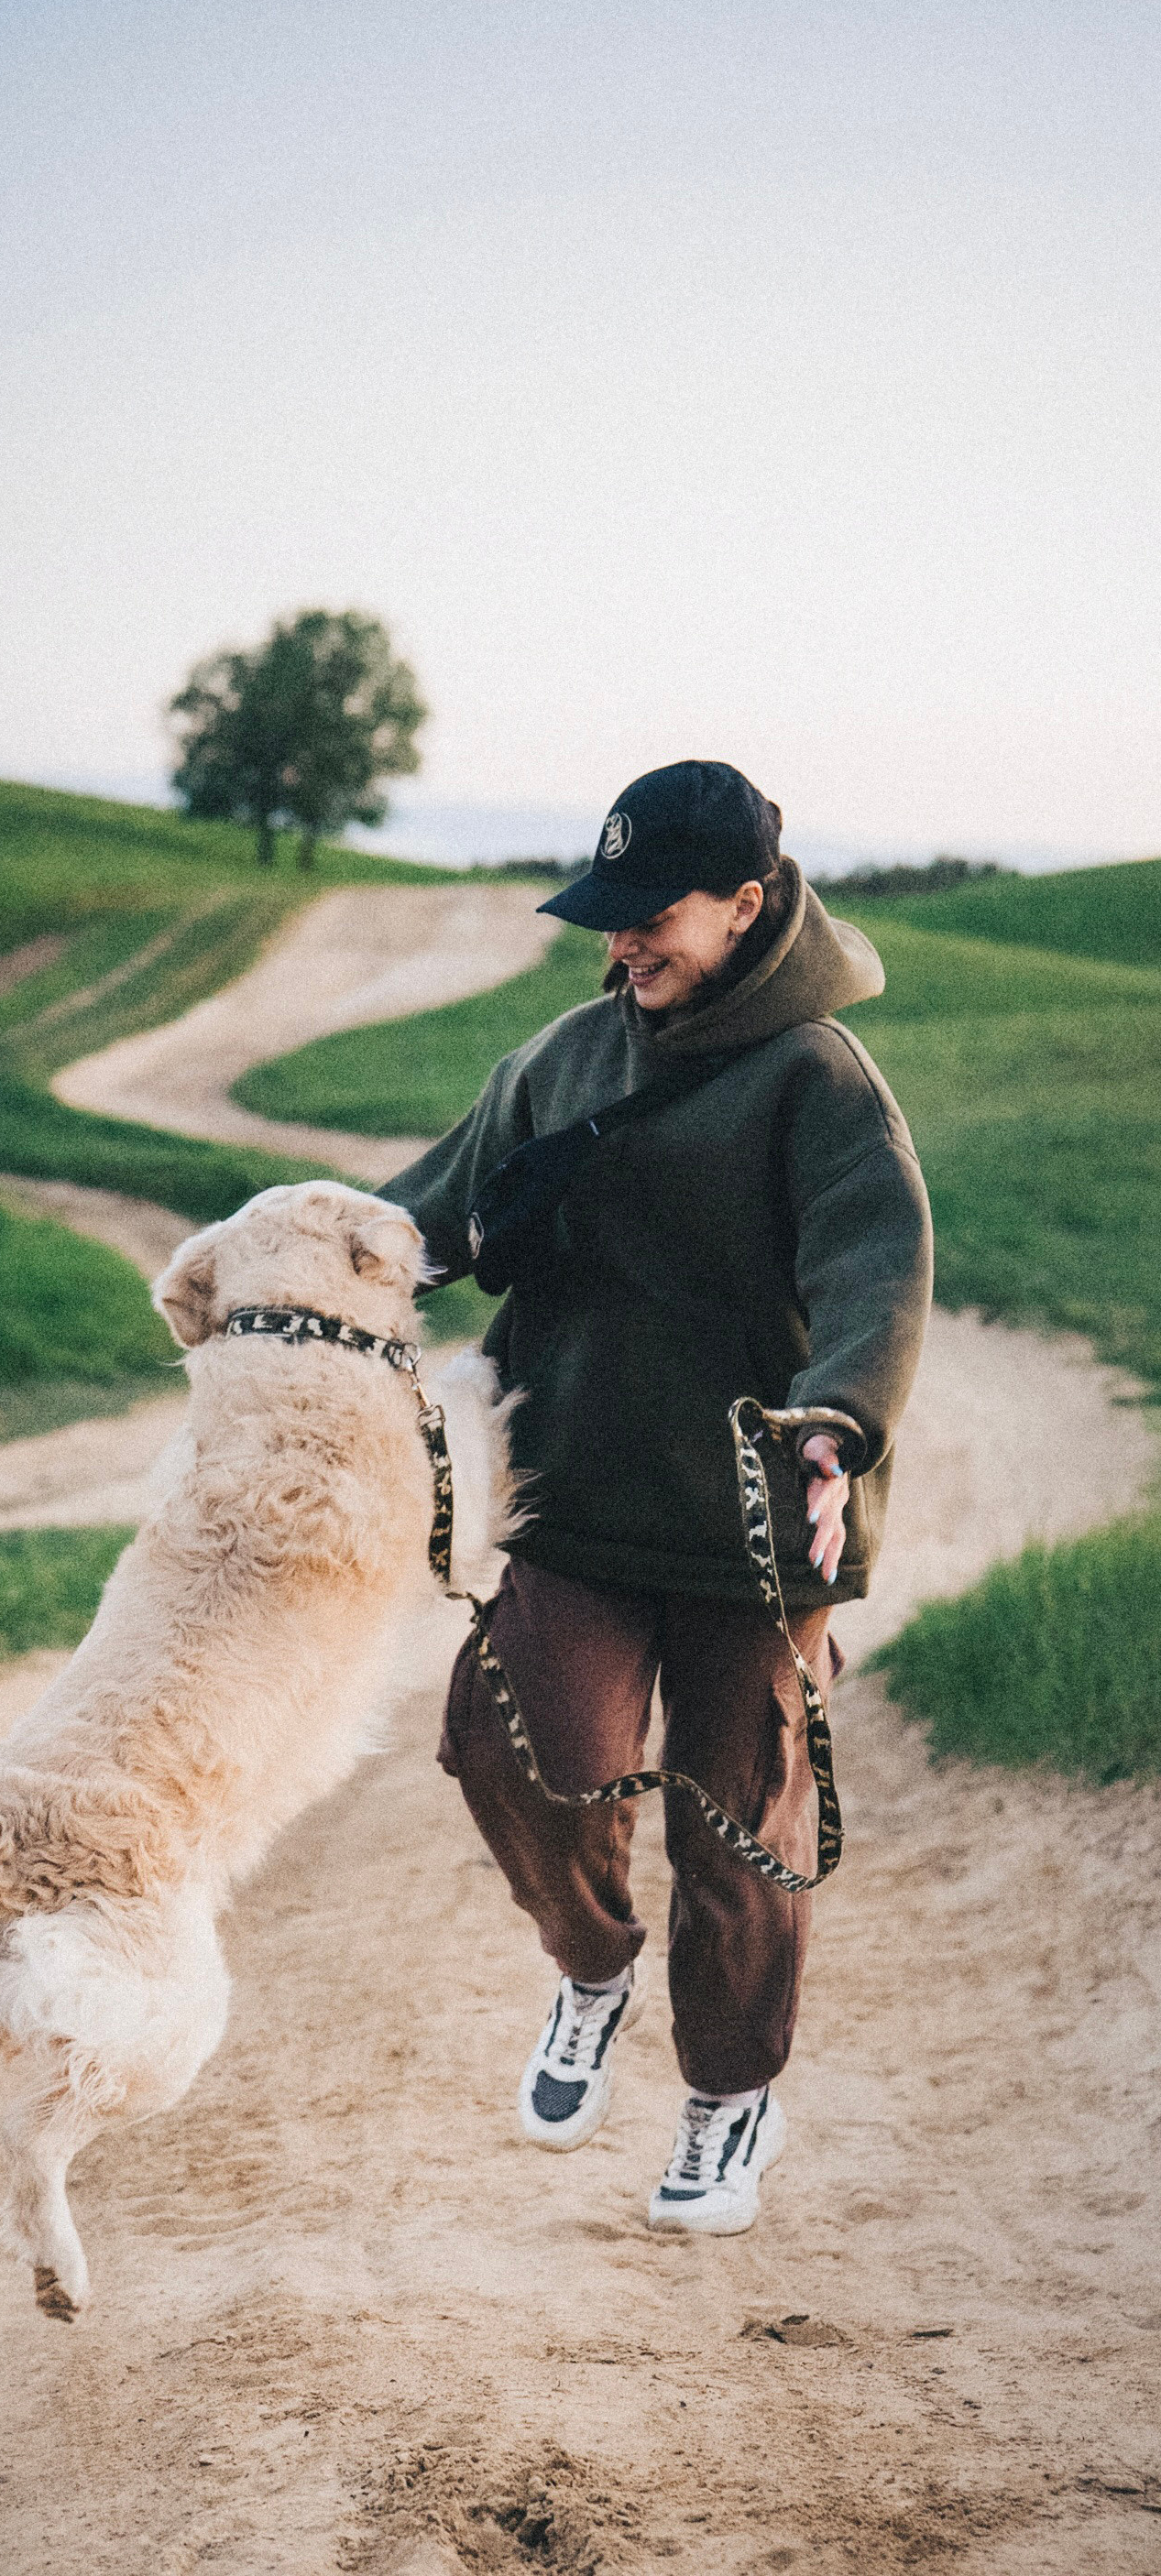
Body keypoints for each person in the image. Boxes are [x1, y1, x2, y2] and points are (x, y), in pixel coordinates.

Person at [379, 761, 932, 2234]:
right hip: (582, 1490)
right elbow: (418, 1219)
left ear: (749, 905)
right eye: (608, 917)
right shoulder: (564, 1059)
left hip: (761, 1529)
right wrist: (294, 1267)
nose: (623, 945)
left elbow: (876, 1267)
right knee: (510, 1741)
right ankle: (592, 1966)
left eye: (655, 917)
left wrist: (842, 1422)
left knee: (737, 1830)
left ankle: (725, 2106)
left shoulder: (817, 1078)